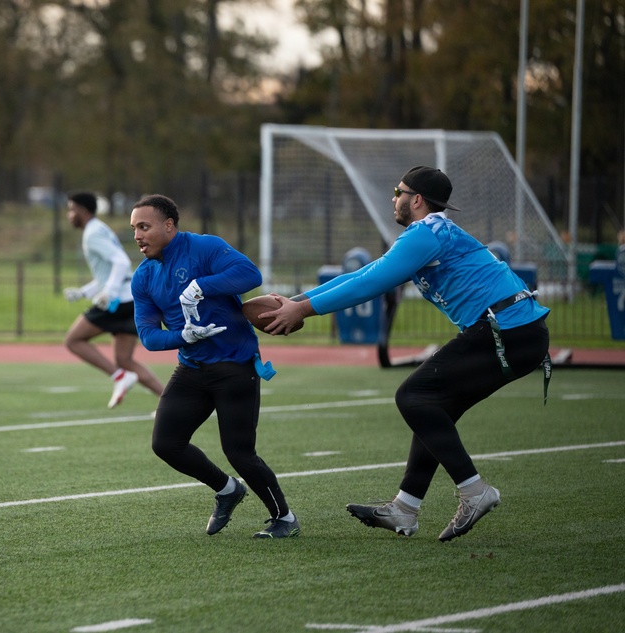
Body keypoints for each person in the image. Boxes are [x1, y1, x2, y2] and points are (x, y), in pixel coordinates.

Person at [260, 166, 551, 542]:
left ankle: (474, 490)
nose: (392, 199)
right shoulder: (429, 234)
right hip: (514, 330)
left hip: (507, 330)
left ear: (416, 200)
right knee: (433, 406)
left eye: (397, 191)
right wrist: (297, 301)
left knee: (413, 396)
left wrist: (303, 311)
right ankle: (405, 507)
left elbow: (371, 283)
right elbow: (365, 272)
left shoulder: (425, 232)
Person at [129, 194, 299, 539]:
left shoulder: (204, 247)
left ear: (169, 225)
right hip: (191, 368)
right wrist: (184, 336)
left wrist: (200, 286)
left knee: (239, 451)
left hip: (234, 366)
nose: (137, 235)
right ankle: (227, 490)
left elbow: (250, 274)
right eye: (133, 228)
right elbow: (147, 336)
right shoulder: (144, 277)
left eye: (144, 226)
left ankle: (284, 518)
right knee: (166, 444)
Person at [62, 192, 163, 408]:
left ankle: (119, 377)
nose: (69, 215)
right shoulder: (99, 228)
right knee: (125, 360)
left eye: (72, 210)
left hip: (121, 300)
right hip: (130, 298)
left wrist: (110, 292)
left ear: (83, 210)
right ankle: (171, 402)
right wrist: (84, 292)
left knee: (73, 340)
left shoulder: (93, 233)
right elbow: (108, 274)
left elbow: (120, 262)